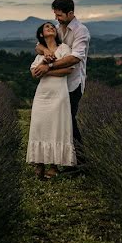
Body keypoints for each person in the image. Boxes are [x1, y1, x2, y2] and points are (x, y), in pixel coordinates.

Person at [33, 0, 90, 169]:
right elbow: (39, 44)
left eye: (59, 15)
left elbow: (75, 58)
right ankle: (61, 160)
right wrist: (44, 51)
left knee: (69, 121)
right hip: (56, 85)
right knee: (56, 122)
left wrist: (47, 66)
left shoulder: (81, 31)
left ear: (70, 13)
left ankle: (80, 163)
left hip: (73, 83)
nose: (56, 19)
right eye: (55, 15)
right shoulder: (58, 28)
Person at [26, 21, 76, 179]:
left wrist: (46, 70)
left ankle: (54, 166)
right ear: (41, 34)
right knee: (39, 126)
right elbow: (34, 73)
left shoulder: (64, 49)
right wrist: (42, 67)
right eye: (47, 27)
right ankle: (39, 163)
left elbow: (68, 69)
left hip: (59, 92)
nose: (51, 28)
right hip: (42, 94)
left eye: (52, 26)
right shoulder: (41, 54)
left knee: (56, 127)